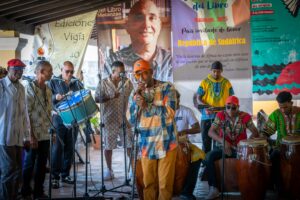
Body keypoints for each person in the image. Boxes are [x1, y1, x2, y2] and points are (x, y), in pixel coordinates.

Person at [128, 59, 177, 200]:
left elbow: (170, 112)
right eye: (138, 75)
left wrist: (147, 106)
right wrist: (137, 103)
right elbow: (132, 119)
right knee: (148, 184)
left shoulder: (167, 87)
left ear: (151, 72)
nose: (141, 78)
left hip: (167, 142)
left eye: (144, 73)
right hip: (146, 144)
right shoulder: (135, 93)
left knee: (165, 185)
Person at [102, 0, 172, 83]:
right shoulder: (113, 61)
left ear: (159, 25)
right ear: (127, 25)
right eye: (139, 18)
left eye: (152, 18)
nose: (146, 24)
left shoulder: (170, 61)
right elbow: (107, 92)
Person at [205, 96, 259, 199]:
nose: (230, 110)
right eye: (228, 107)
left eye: (233, 108)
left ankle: (249, 186)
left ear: (238, 107)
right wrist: (223, 141)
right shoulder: (220, 115)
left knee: (254, 159)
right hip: (222, 148)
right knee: (208, 157)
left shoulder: (245, 116)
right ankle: (214, 188)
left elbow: (255, 132)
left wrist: (244, 143)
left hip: (241, 150)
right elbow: (210, 132)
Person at [95, 61, 133, 180]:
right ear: (113, 71)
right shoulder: (103, 83)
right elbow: (97, 98)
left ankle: (132, 169)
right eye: (120, 73)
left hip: (123, 119)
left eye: (124, 72)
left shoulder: (127, 83)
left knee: (129, 143)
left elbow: (133, 96)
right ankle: (109, 170)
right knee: (108, 146)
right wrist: (111, 96)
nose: (122, 75)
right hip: (108, 119)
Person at [48, 61, 84, 188]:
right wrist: (55, 97)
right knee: (57, 148)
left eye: (71, 72)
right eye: (67, 71)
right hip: (58, 118)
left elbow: (82, 97)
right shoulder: (53, 82)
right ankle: (54, 177)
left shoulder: (77, 83)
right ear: (61, 70)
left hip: (73, 118)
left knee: (70, 148)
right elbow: (48, 98)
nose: (69, 74)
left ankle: (65, 174)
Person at [21, 61, 53, 199]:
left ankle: (39, 192)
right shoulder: (29, 88)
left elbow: (49, 111)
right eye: (49, 71)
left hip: (45, 133)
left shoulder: (48, 90)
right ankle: (26, 191)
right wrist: (31, 135)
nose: (52, 73)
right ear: (41, 72)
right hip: (32, 134)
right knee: (29, 163)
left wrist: (53, 130)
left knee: (42, 165)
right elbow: (26, 113)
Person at [0, 59, 30, 200]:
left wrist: (27, 136)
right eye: (16, 69)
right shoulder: (1, 85)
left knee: (18, 171)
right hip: (4, 137)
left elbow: (24, 114)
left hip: (18, 138)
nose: (19, 72)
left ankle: (13, 196)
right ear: (8, 69)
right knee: (8, 171)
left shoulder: (22, 88)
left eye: (21, 70)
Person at [262, 91, 300, 195]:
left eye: (285, 107)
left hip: (299, 149)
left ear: (291, 103)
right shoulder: (276, 114)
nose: (283, 110)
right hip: (280, 148)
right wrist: (263, 138)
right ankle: (278, 187)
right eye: (280, 107)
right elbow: (266, 131)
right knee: (273, 157)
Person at [196, 61, 234, 153]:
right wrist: (207, 106)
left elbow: (231, 98)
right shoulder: (205, 82)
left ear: (221, 71)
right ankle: (206, 165)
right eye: (214, 71)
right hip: (207, 116)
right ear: (211, 71)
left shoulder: (226, 82)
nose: (216, 73)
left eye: (218, 71)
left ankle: (216, 166)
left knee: (218, 143)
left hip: (222, 116)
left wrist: (229, 111)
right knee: (206, 143)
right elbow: (198, 98)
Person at [174, 90, 202, 200]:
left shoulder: (186, 111)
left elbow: (197, 128)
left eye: (177, 98)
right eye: (172, 99)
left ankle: (187, 191)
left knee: (198, 157)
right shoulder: (162, 112)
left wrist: (185, 131)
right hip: (166, 145)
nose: (175, 101)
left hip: (184, 143)